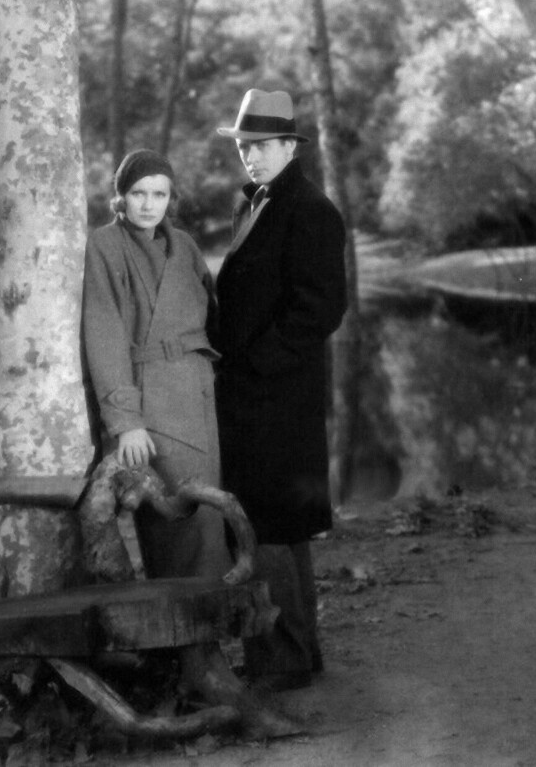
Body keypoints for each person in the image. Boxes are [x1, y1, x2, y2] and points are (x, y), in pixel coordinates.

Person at [215, 89, 348, 691]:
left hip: (278, 396)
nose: (251, 156)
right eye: (245, 146)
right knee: (276, 526)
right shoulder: (257, 203)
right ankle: (296, 653)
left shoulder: (310, 209)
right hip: (257, 396)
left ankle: (280, 661)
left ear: (291, 146)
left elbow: (321, 308)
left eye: (263, 145)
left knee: (269, 525)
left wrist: (254, 365)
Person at [82, 148, 231, 582]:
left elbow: (212, 316)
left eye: (159, 194)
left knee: (209, 515)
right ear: (121, 198)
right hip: (150, 406)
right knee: (174, 520)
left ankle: (209, 616)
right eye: (138, 193)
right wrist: (126, 422)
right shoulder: (105, 245)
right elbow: (105, 335)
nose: (149, 204)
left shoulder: (184, 246)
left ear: (171, 198)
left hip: (198, 394)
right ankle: (181, 618)